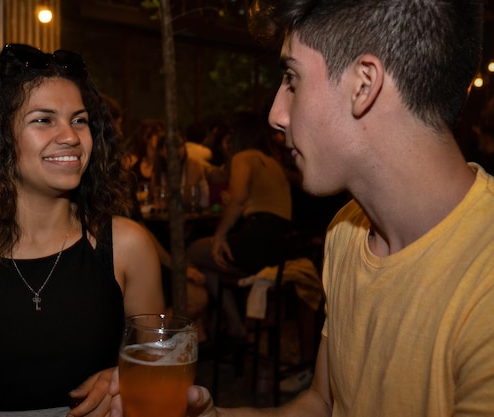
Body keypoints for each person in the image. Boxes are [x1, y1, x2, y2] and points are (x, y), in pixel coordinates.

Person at [110, 0, 494, 416]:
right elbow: (321, 404)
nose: (276, 114)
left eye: (292, 79)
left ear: (364, 84)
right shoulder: (346, 232)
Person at [0, 43, 164, 417]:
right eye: (44, 120)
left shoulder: (125, 246)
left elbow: (160, 373)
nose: (72, 137)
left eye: (79, 119)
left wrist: (126, 378)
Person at [187, 110, 293, 339]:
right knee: (211, 261)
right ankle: (232, 324)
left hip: (258, 240)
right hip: (280, 244)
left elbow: (236, 199)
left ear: (237, 135)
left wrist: (219, 236)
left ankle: (214, 325)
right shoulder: (271, 161)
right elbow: (220, 179)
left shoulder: (244, 157)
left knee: (194, 251)